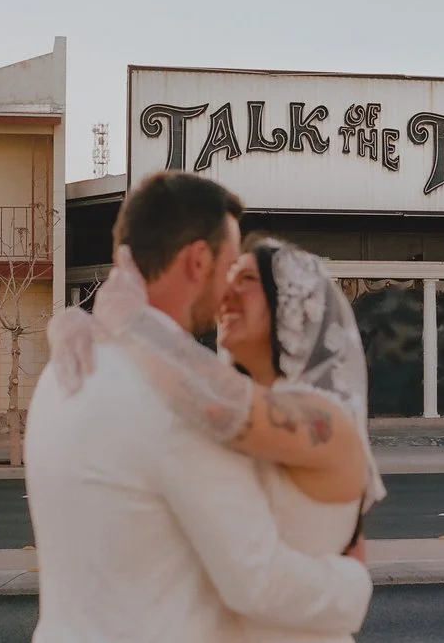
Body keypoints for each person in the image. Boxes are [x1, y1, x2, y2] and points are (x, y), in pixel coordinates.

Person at [24, 171, 383, 643]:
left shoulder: (61, 373)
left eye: (247, 278)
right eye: (229, 266)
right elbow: (255, 581)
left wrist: (116, 323)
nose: (228, 291)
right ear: (198, 261)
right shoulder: (183, 402)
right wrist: (354, 584)